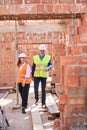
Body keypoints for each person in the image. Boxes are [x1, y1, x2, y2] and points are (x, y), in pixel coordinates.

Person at [32, 44, 52, 108]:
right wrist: (32, 75)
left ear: (45, 50)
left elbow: (51, 65)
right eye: (41, 50)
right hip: (36, 76)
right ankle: (37, 99)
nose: (42, 51)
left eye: (43, 50)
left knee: (43, 89)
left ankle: (43, 103)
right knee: (35, 88)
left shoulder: (48, 57)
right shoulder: (35, 57)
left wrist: (48, 68)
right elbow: (33, 67)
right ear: (39, 50)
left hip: (44, 76)